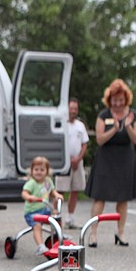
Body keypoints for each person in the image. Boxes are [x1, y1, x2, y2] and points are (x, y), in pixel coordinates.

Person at [85, 79, 136, 247]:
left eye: (121, 100)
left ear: (126, 99)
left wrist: (128, 126)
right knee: (99, 197)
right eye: (115, 100)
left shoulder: (133, 115)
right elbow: (100, 139)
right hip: (106, 159)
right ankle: (93, 233)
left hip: (125, 160)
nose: (118, 103)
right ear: (110, 99)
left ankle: (121, 233)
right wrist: (115, 129)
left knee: (123, 199)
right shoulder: (104, 115)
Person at [55, 98, 89, 229]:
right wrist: (68, 159)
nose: (73, 111)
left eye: (75, 108)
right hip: (64, 162)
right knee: (60, 191)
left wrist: (78, 158)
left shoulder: (80, 126)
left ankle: (70, 218)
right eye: (71, 108)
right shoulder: (61, 124)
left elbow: (84, 144)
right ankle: (56, 218)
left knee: (75, 190)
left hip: (77, 162)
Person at [21, 156, 62, 255]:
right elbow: (24, 193)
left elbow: (52, 191)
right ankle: (41, 246)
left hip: (44, 210)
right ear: (32, 171)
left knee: (57, 218)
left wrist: (57, 195)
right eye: (36, 170)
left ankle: (59, 236)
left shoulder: (48, 181)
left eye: (42, 170)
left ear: (47, 171)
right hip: (32, 212)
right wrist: (30, 197)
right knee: (37, 226)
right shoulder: (31, 183)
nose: (39, 172)